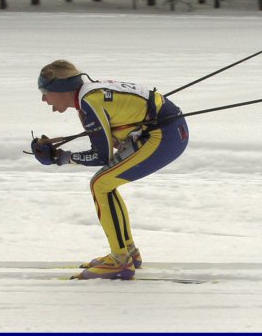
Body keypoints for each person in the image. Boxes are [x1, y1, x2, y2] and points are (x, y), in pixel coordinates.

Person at [31, 60, 189, 280]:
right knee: (105, 183)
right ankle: (127, 252)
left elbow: (100, 155)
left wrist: (60, 157)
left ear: (59, 89)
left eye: (44, 91)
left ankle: (120, 261)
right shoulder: (87, 95)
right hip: (164, 129)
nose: (43, 98)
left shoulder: (88, 102)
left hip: (164, 135)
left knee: (101, 184)